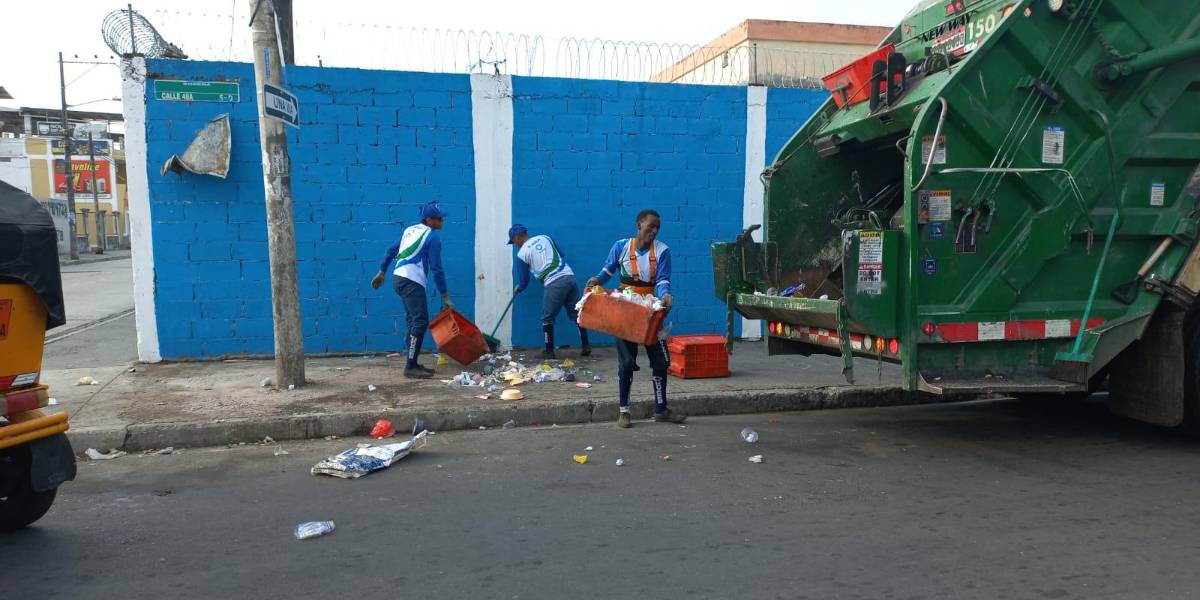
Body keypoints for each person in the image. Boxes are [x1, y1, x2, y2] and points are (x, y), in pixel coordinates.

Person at [586, 209, 686, 428]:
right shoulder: (621, 246)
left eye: (657, 227)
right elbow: (607, 272)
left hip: (651, 309)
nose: (654, 230)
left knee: (661, 361)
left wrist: (665, 296)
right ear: (639, 224)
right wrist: (596, 280)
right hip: (626, 310)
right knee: (627, 363)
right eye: (651, 225)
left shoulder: (663, 251)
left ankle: (661, 409)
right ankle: (624, 411)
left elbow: (662, 280)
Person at [371, 201, 453, 379]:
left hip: (399, 278)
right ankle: (410, 366)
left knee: (412, 321)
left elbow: (391, 250)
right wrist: (445, 295)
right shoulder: (432, 237)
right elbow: (437, 269)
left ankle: (413, 362)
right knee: (420, 322)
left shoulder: (410, 230)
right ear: (429, 220)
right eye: (440, 219)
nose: (442, 221)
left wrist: (382, 271)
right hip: (411, 281)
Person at [508, 224, 592, 359]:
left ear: (517, 237)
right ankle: (586, 345)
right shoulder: (545, 237)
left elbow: (524, 281)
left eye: (513, 241)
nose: (515, 245)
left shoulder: (522, 254)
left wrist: (519, 288)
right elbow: (562, 254)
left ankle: (549, 350)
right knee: (576, 313)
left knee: (547, 318)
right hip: (569, 277)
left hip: (554, 282)